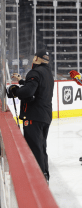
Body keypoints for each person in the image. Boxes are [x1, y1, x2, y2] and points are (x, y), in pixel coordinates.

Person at [7, 50, 54, 182]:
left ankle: (38, 178)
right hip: (45, 116)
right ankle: (45, 174)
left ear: (36, 59)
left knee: (34, 146)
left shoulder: (35, 72)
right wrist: (22, 80)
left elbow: (28, 92)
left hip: (34, 116)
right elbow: (37, 88)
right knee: (41, 146)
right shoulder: (48, 73)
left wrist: (15, 91)